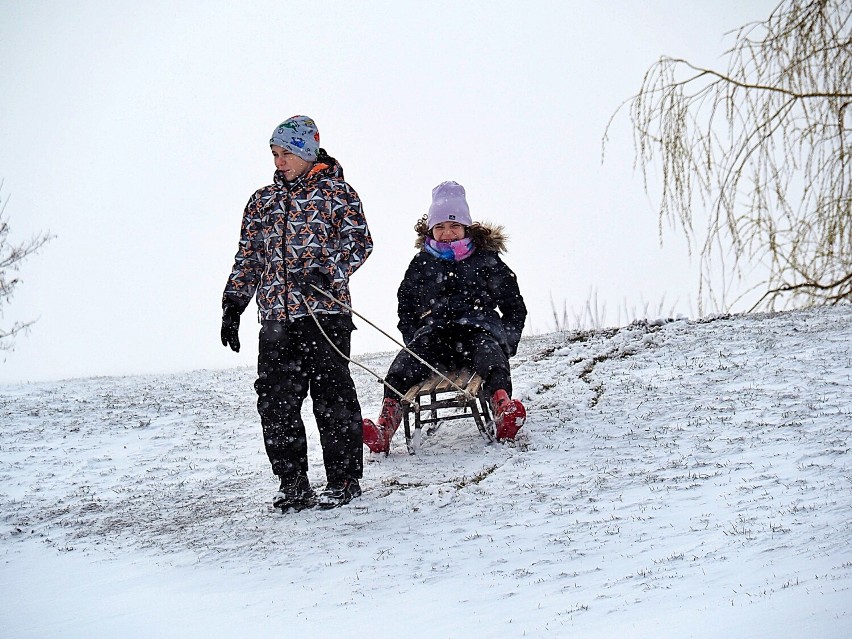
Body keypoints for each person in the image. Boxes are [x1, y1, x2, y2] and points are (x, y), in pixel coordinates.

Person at [221, 115, 373, 510]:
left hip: (325, 313)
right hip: (276, 318)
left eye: (286, 152)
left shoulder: (337, 193)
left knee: (331, 395)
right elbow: (249, 257)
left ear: (307, 151)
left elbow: (360, 242)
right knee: (275, 399)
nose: (279, 160)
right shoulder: (262, 201)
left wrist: (330, 271)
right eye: (274, 153)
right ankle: (293, 483)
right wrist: (234, 303)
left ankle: (343, 480)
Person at [362, 181, 527, 454]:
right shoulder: (422, 263)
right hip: (435, 336)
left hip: (477, 332)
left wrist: (506, 340)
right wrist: (414, 337)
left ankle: (503, 410)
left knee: (491, 359)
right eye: (440, 227)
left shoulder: (485, 259)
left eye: (453, 226)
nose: (447, 233)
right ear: (431, 230)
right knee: (401, 369)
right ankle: (384, 428)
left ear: (466, 228)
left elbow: (514, 306)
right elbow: (406, 307)